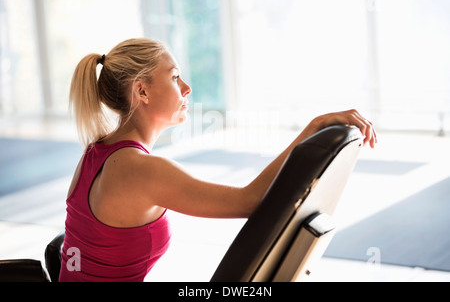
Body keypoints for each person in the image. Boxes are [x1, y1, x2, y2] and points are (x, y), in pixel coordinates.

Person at [59, 38, 377, 282]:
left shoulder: (94, 153)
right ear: (142, 91)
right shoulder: (143, 170)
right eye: (174, 77)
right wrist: (313, 128)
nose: (187, 88)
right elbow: (250, 202)